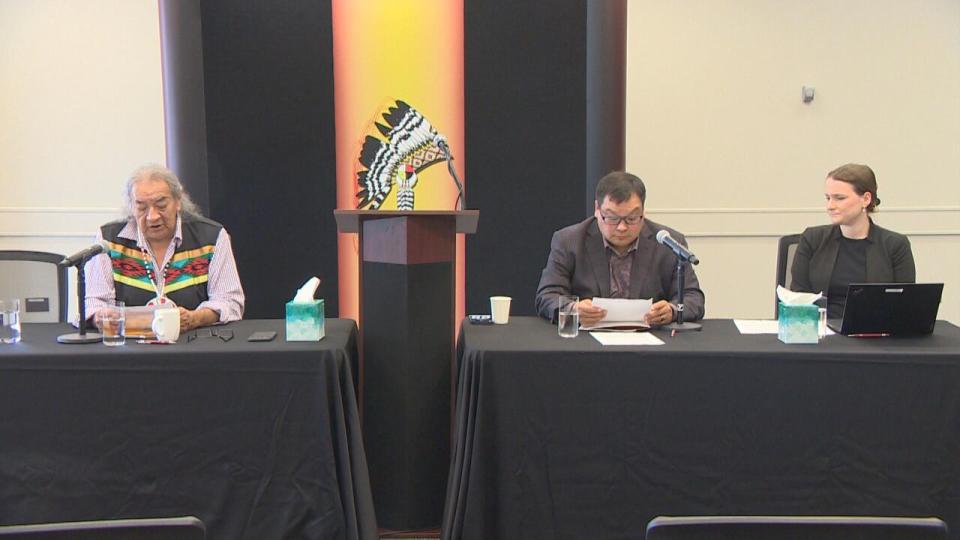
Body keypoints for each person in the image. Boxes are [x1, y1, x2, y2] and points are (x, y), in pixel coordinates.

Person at [85, 164, 244, 331]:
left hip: (193, 347)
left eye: (161, 205)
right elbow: (94, 303)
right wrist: (101, 317)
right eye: (142, 207)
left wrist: (196, 318)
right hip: (128, 349)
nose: (152, 216)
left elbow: (230, 302)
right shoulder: (109, 240)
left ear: (178, 201)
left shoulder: (211, 238)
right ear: (131, 207)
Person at [535, 171, 705, 327]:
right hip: (587, 341)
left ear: (643, 212)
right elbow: (547, 296)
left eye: (631, 218)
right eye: (612, 218)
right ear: (596, 210)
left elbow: (693, 298)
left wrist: (672, 311)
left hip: (650, 342)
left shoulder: (668, 243)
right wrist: (573, 308)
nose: (622, 227)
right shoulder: (569, 240)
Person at [790, 163, 915, 319]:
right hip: (821, 332)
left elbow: (905, 304)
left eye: (839, 198)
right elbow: (799, 296)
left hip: (875, 334)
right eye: (828, 198)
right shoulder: (812, 239)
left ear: (866, 199)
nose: (830, 206)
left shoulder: (895, 245)